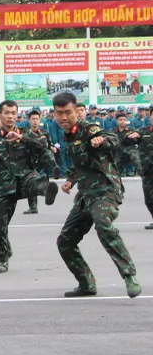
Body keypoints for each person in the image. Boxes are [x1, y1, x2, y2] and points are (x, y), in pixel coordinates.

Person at [51, 92, 141, 298]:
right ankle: (86, 283)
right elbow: (79, 163)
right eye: (59, 113)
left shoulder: (89, 129)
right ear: (54, 114)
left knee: (103, 224)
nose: (64, 117)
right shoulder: (68, 136)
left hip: (105, 190)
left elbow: (112, 139)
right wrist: (70, 180)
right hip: (85, 194)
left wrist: (101, 141)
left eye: (68, 112)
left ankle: (129, 275)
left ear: (76, 111)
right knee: (65, 241)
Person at [0, 100, 59, 273]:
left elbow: (43, 146)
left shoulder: (25, 133)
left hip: (25, 178)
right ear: (0, 115)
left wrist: (21, 138)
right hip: (3, 186)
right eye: (7, 113)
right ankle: (3, 258)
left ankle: (46, 190)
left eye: (13, 113)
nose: (10, 116)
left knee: (34, 182)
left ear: (17, 115)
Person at [23, 110, 60, 214]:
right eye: (33, 119)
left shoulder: (44, 133)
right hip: (30, 160)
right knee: (31, 181)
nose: (35, 121)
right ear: (29, 120)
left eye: (37, 119)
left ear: (40, 120)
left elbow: (49, 145)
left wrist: (52, 147)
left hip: (42, 159)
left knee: (47, 152)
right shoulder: (25, 133)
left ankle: (55, 168)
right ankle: (33, 207)